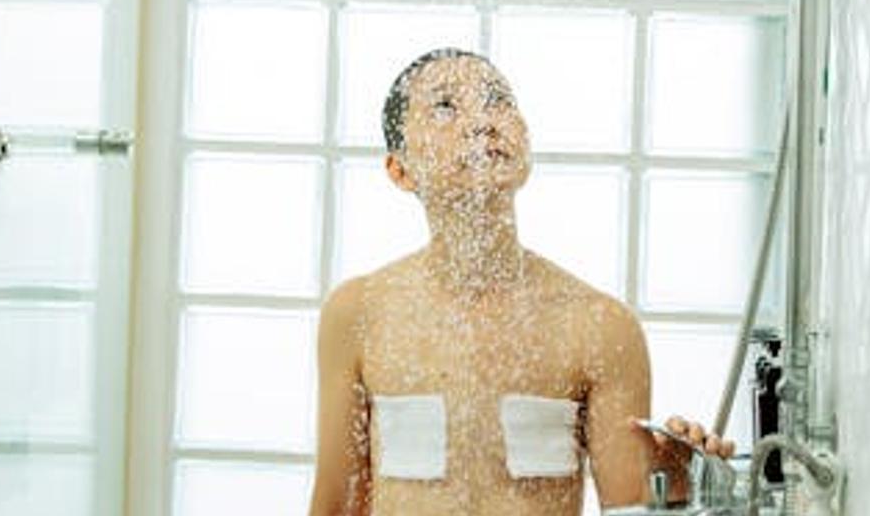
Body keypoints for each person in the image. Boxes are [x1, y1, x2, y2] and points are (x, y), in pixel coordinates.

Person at [308, 47, 734, 515]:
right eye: (446, 106)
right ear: (400, 169)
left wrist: (676, 488)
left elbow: (629, 510)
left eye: (497, 100)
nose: (483, 121)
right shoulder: (361, 313)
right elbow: (336, 508)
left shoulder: (597, 326)